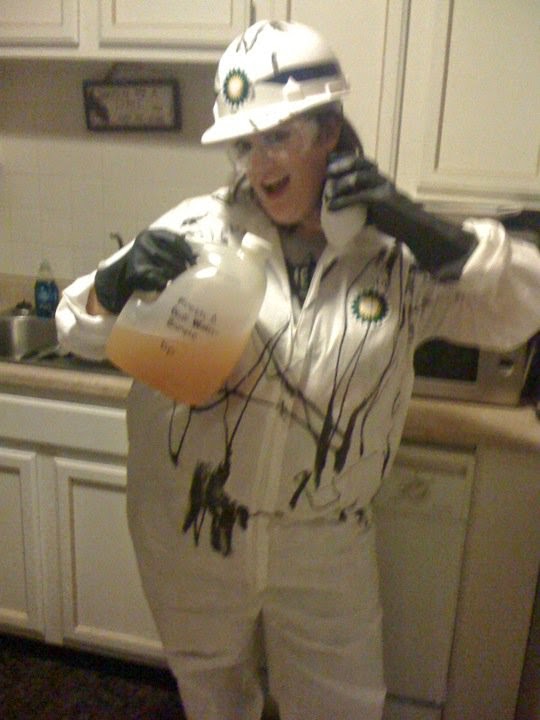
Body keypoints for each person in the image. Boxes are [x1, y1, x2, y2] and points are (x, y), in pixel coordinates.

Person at [56, 20, 540, 720]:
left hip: (326, 542)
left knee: (342, 705)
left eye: (278, 137)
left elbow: (521, 310)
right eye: (244, 144)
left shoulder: (395, 259)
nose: (259, 164)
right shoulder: (199, 231)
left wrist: (422, 226)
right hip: (190, 527)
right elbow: (78, 331)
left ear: (330, 133)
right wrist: (112, 283)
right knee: (213, 694)